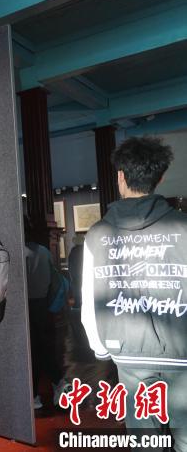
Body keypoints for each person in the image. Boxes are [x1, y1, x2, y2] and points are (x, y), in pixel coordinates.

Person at [81, 136, 185, 451]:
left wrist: (101, 349)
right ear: (160, 178)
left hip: (128, 355)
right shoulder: (184, 227)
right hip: (182, 353)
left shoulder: (98, 234)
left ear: (120, 177)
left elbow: (90, 300)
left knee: (146, 442)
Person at [24, 216, 67, 410]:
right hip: (44, 306)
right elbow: (53, 280)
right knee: (48, 350)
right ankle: (59, 385)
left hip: (25, 308)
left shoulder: (18, 253)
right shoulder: (43, 251)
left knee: (31, 353)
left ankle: (33, 396)